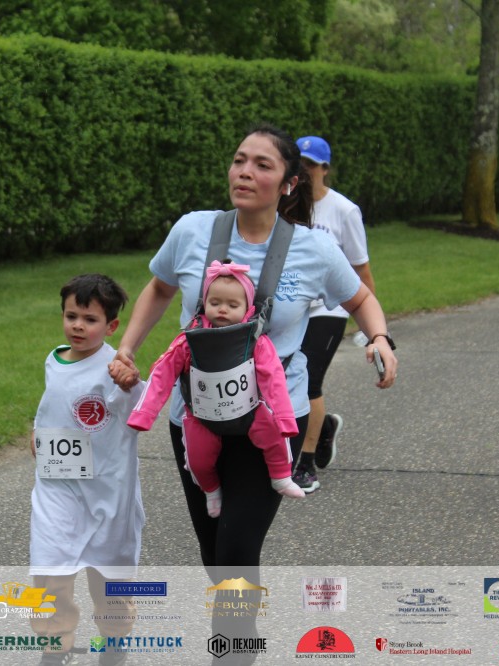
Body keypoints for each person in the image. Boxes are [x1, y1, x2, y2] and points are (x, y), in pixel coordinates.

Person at [108, 123, 397, 661]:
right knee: (214, 551)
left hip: (272, 415)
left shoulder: (314, 248)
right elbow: (159, 288)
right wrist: (127, 349)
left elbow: (360, 298)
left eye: (262, 165)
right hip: (195, 416)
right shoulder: (193, 230)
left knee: (238, 548)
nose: (244, 171)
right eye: (240, 160)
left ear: (289, 183)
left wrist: (379, 337)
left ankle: (235, 651)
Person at [127, 259, 305, 518]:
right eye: (215, 303)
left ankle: (281, 477)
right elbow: (161, 375)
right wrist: (144, 415)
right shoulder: (189, 339)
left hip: (251, 411)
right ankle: (211, 490)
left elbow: (274, 379)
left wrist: (285, 418)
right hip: (201, 416)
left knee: (275, 436)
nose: (222, 309)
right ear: (203, 303)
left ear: (247, 308)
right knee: (196, 460)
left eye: (232, 305)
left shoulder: (255, 339)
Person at [29, 274, 146, 666]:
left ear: (111, 326)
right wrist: (38, 432)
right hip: (57, 488)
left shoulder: (115, 369)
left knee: (109, 575)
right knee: (50, 568)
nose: (78, 326)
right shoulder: (55, 358)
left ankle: (114, 644)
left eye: (90, 319)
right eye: (71, 316)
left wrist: (130, 384)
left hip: (106, 491)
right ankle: (55, 648)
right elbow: (53, 404)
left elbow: (142, 409)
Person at [291, 135, 377, 493]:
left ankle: (306, 463)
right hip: (293, 303)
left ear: (325, 169)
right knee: (286, 377)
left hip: (330, 307)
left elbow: (361, 269)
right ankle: (323, 426)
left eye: (311, 164)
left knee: (309, 380)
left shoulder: (344, 210)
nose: (305, 170)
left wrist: (373, 329)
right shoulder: (284, 203)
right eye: (299, 163)